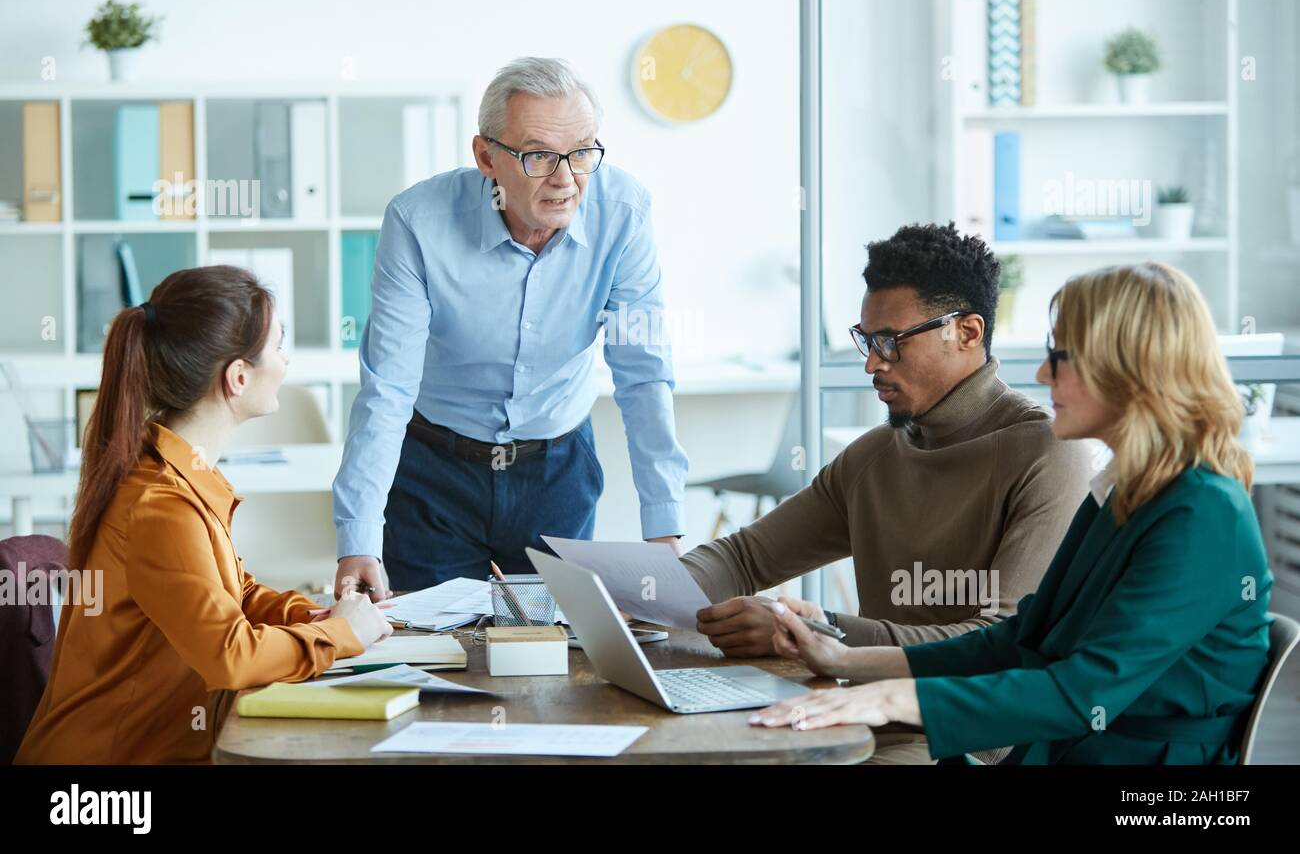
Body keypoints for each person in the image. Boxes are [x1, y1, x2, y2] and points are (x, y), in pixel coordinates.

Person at [752, 262, 1273, 765]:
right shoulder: (1130, 488)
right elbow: (1020, 638)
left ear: (1129, 372)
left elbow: (1079, 693)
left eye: (1061, 357)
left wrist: (889, 700)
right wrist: (843, 660)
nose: (1044, 373)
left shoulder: (1203, 514)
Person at [681, 222, 1093, 763]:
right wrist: (640, 593)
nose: (873, 363)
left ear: (967, 332)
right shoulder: (873, 456)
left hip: (965, 736)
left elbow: (999, 641)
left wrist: (813, 631)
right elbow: (744, 557)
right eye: (867, 341)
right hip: (861, 709)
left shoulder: (1047, 452)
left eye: (891, 343)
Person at [332, 57, 689, 600]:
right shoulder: (418, 222)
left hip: (557, 470)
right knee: (440, 660)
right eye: (539, 155)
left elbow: (642, 376)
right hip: (435, 472)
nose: (566, 179)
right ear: (486, 157)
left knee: (559, 660)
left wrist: (664, 527)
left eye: (583, 152)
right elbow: (389, 386)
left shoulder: (624, 213)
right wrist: (358, 536)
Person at [17, 266, 391, 765]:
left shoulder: (175, 475)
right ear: (238, 378)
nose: (286, 360)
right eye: (279, 346)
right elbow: (230, 657)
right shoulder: (161, 505)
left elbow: (233, 594)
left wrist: (320, 616)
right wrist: (340, 635)